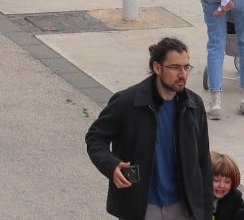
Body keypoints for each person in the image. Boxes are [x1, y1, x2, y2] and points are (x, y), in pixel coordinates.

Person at [85, 37, 214, 220]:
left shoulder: (194, 105)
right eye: (175, 67)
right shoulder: (127, 102)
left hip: (183, 207)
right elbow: (95, 137)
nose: (183, 74)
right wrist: (111, 165)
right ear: (157, 68)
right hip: (142, 208)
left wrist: (205, 212)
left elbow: (203, 162)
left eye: (187, 67)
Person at [211, 152, 244, 220]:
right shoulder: (198, 197)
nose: (222, 185)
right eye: (216, 180)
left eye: (227, 181)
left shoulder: (235, 198)